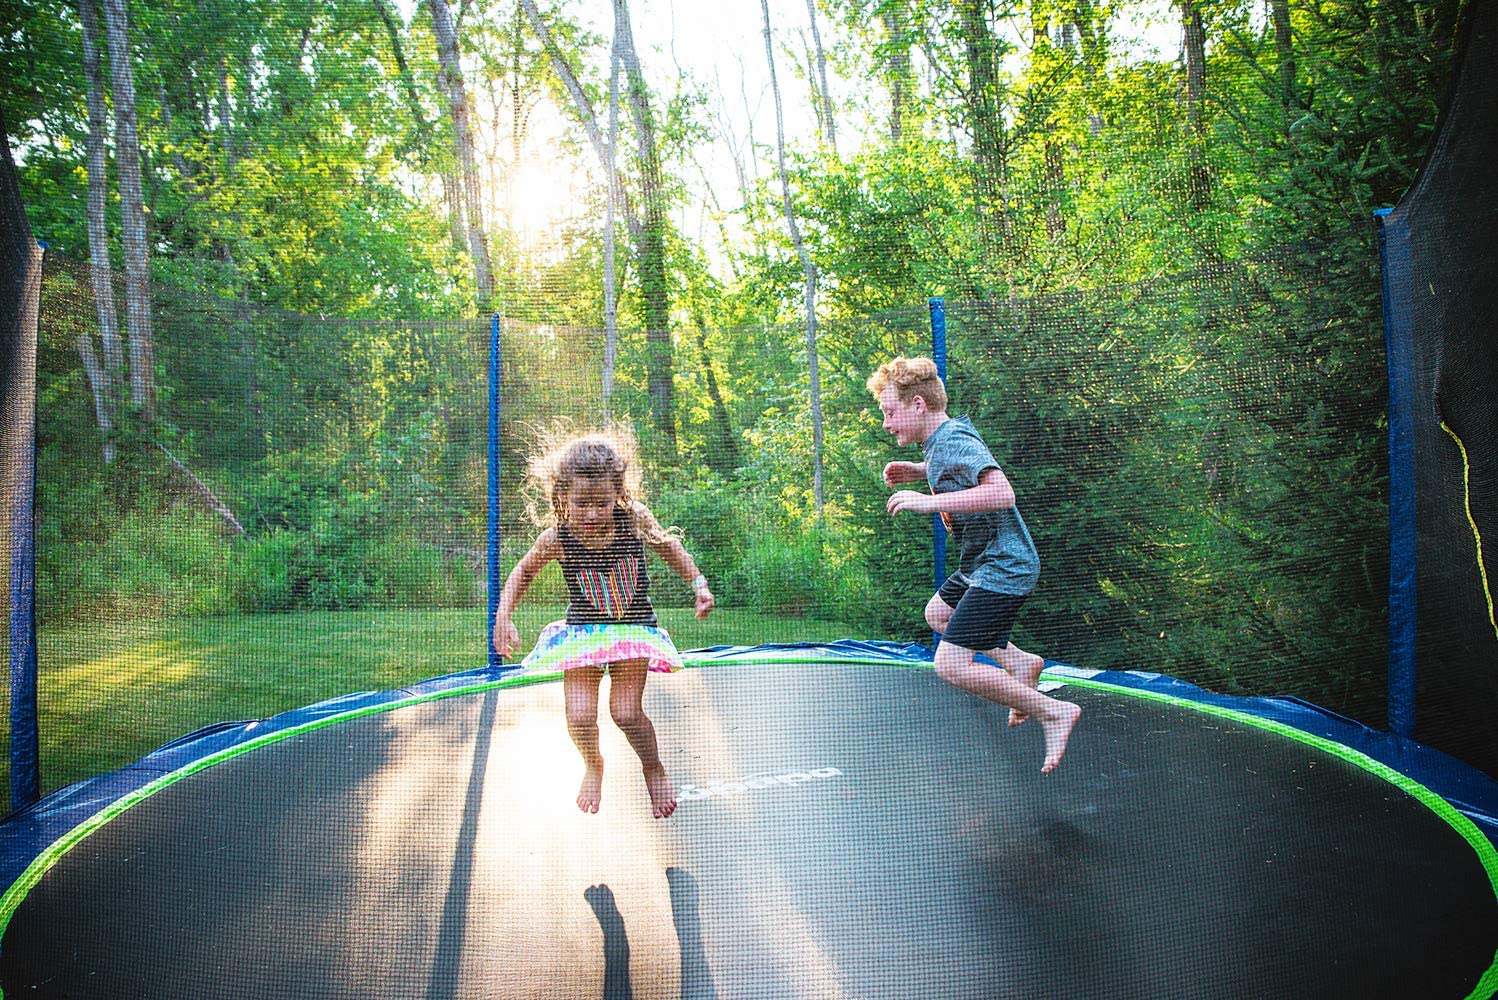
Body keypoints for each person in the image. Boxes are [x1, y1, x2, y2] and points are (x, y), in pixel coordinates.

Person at [867, 356, 1081, 774]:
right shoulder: (942, 440)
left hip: (1004, 565)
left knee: (949, 664)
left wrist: (929, 502)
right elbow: (955, 467)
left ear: (917, 407)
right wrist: (917, 471)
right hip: (981, 562)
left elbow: (1002, 493)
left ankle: (1054, 712)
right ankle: (1019, 662)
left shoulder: (952, 440)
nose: (886, 423)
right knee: (938, 614)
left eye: (890, 412)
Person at [493, 428, 714, 818]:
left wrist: (698, 584)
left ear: (618, 495)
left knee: (625, 713)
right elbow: (523, 572)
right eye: (582, 503)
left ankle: (653, 766)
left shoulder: (634, 521)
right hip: (580, 635)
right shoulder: (557, 537)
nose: (592, 513)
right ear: (562, 497)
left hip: (632, 632)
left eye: (602, 503)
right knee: (579, 716)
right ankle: (593, 763)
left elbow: (669, 547)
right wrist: (503, 616)